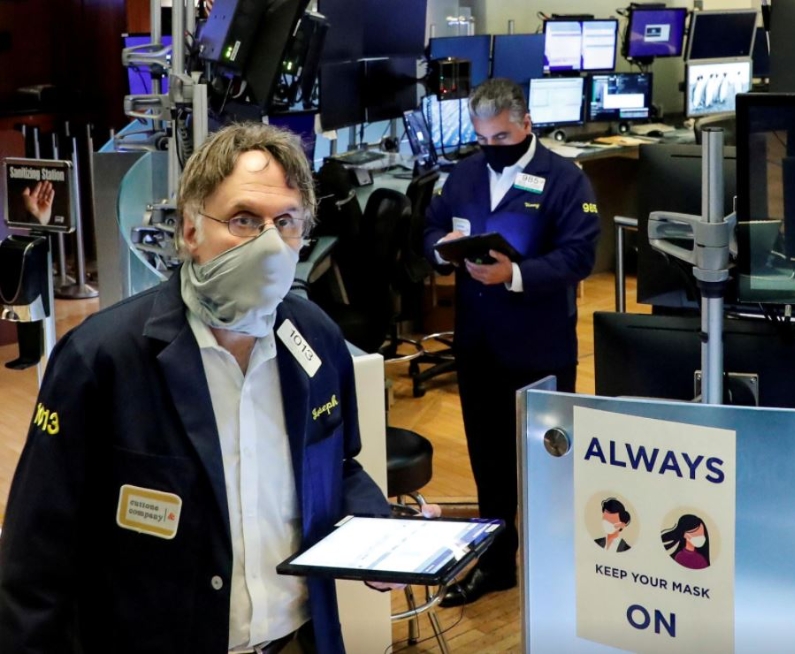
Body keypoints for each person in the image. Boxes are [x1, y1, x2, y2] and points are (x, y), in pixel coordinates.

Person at [0, 123, 423, 654]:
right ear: (190, 231)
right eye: (244, 220)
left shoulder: (315, 338)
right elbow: (37, 555)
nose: (268, 245)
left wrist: (378, 535)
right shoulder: (101, 359)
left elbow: (338, 465)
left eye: (285, 222)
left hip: (298, 639)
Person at [423, 78, 600, 606]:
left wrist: (515, 275)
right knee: (489, 460)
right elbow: (430, 229)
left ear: (526, 124)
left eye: (501, 137)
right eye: (482, 139)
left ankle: (557, 566)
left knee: (548, 462)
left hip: (539, 345)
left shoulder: (566, 179)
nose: (491, 147)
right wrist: (442, 249)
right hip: (478, 343)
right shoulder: (463, 174)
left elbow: (579, 256)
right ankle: (497, 565)